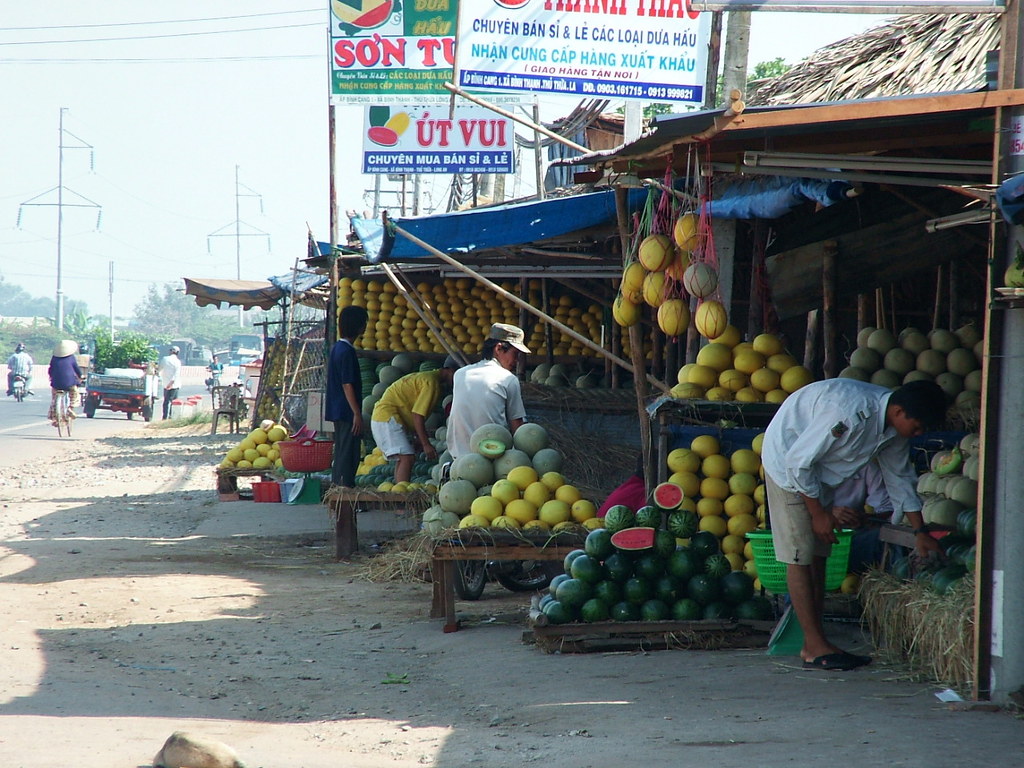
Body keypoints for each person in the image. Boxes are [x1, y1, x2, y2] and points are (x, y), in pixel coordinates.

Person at [761, 378, 946, 671]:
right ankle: (811, 646)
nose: (919, 433)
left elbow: (900, 480)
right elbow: (798, 462)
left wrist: (920, 531)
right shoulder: (849, 412)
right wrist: (818, 514)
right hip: (787, 466)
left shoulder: (893, 432)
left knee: (819, 555)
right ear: (899, 412)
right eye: (918, 426)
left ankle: (818, 639)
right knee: (799, 556)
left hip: (819, 476)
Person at [446, 323, 530, 460]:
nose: (516, 361)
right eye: (515, 354)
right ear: (499, 349)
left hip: (459, 458)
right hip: (493, 458)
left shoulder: (460, 374)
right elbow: (517, 427)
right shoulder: (508, 379)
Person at [371, 356, 460, 484]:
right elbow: (417, 415)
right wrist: (425, 444)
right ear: (450, 370)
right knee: (406, 458)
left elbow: (410, 408)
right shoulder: (431, 383)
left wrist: (416, 437)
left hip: (385, 418)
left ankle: (398, 491)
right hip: (387, 418)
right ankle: (401, 495)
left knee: (405, 458)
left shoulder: (429, 378)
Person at [326, 305, 369, 487]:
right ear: (360, 327)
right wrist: (357, 414)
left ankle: (338, 493)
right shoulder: (347, 352)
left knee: (342, 452)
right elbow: (347, 385)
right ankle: (344, 494)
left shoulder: (337, 348)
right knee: (348, 455)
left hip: (338, 409)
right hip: (346, 411)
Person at [832, 460, 895, 574]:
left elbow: (886, 508)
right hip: (816, 534)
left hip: (852, 535)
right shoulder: (809, 464)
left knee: (881, 536)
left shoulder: (865, 467)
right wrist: (827, 514)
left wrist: (862, 518)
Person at [47, 339, 83, 427]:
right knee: (75, 394)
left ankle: (55, 417)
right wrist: (80, 376)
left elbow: (50, 370)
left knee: (54, 399)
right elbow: (76, 369)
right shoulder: (71, 357)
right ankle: (70, 407)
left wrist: (51, 377)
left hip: (56, 382)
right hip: (69, 382)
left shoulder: (54, 358)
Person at [158, 345, 182, 420]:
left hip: (166, 384)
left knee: (166, 402)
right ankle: (171, 417)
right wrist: (171, 384)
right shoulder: (178, 362)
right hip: (174, 385)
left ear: (171, 351)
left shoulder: (165, 359)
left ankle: (164, 417)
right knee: (173, 402)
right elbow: (176, 375)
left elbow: (159, 369)